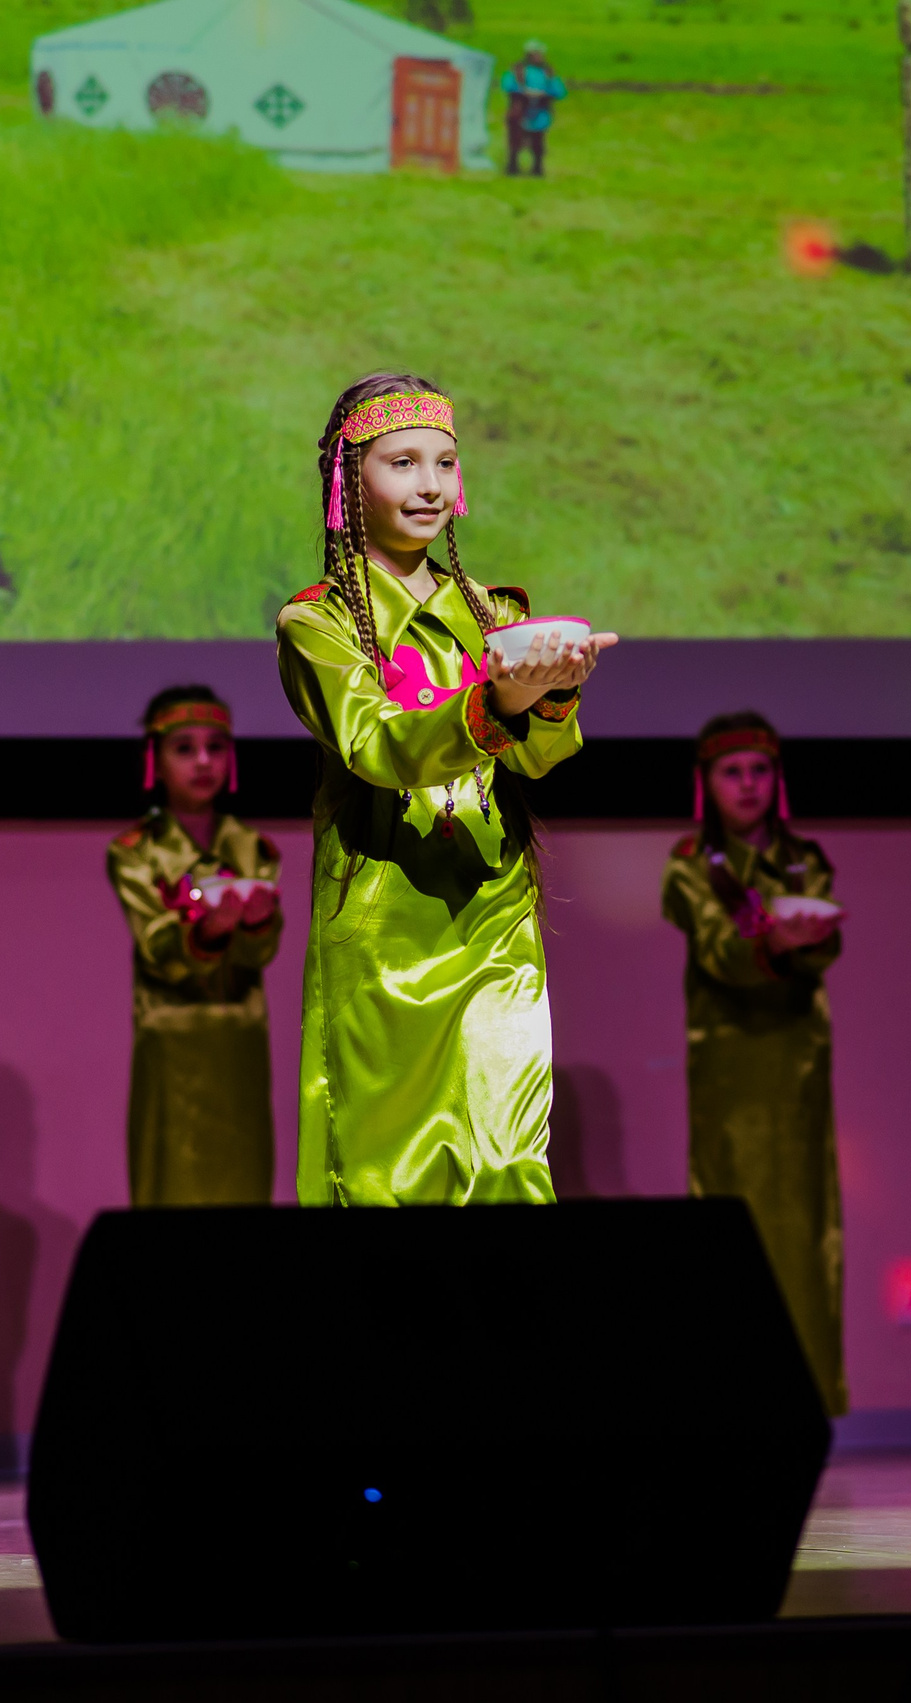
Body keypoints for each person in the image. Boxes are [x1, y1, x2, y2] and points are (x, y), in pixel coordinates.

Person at [276, 373, 615, 1204]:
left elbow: (537, 761)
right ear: (348, 485)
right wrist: (493, 701)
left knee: (508, 1166)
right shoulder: (316, 624)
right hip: (386, 926)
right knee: (390, 1176)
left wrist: (555, 689)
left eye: (445, 462)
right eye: (402, 463)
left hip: (493, 911)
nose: (430, 484)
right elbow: (377, 747)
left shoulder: (494, 612)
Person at [663, 713, 848, 1419]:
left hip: (797, 1065)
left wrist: (801, 937)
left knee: (807, 1233)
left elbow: (825, 945)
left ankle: (809, 1400)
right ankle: (731, 1402)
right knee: (730, 1229)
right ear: (707, 781)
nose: (748, 784)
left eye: (760, 769)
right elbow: (718, 948)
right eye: (732, 770)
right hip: (729, 1072)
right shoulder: (690, 863)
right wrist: (773, 938)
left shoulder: (805, 857)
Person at [108, 686, 284, 1206]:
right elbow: (157, 947)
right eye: (184, 748)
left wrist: (254, 929)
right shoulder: (135, 852)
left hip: (241, 1040)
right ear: (154, 760)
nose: (203, 761)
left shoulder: (253, 847)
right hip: (172, 1043)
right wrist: (206, 933)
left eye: (217, 746)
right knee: (171, 1200)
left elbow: (261, 954)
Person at [501, 41, 567, 177]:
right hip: (521, 112)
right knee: (515, 140)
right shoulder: (518, 70)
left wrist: (545, 93)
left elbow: (559, 91)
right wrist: (523, 92)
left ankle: (537, 168)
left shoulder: (547, 72)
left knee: (538, 142)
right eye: (536, 53)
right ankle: (512, 166)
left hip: (540, 114)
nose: (539, 56)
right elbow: (507, 85)